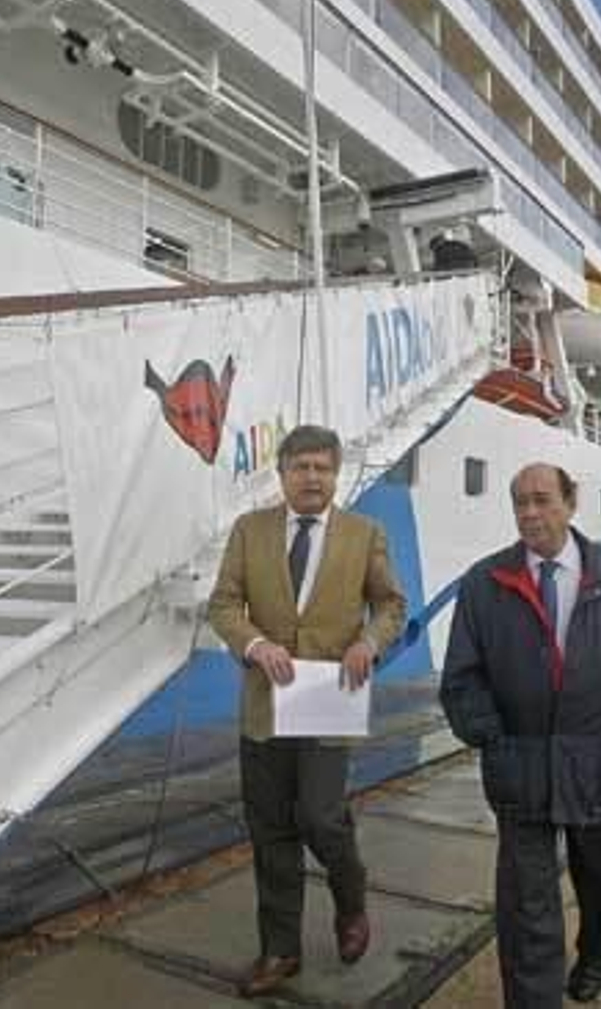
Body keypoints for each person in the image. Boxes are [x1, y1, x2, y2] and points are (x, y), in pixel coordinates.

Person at [441, 463, 601, 1006]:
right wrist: (491, 738)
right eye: (520, 502)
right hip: (521, 765)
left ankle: (596, 952)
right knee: (527, 907)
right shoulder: (485, 582)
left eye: (542, 500)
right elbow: (462, 677)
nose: (530, 513)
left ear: (572, 503)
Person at [208, 425, 407, 998]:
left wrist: (369, 643)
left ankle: (351, 898)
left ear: (335, 474)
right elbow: (223, 603)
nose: (312, 478)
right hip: (266, 705)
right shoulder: (250, 531)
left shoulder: (363, 533)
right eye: (302, 468)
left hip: (328, 698)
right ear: (283, 474)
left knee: (321, 817)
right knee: (270, 831)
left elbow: (390, 604)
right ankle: (280, 951)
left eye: (322, 468)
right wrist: (253, 644)